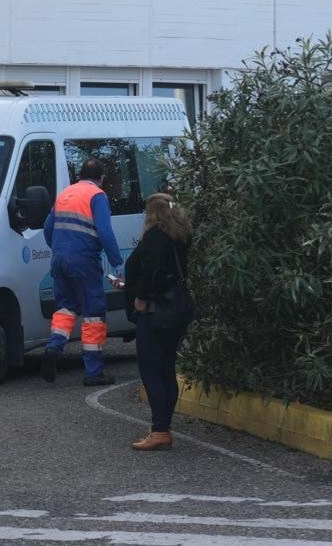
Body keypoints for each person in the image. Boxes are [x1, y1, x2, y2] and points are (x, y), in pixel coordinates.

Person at [41, 158, 124, 386]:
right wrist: (117, 263)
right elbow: (105, 232)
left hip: (59, 259)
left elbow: (48, 228)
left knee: (65, 308)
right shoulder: (97, 195)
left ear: (80, 175)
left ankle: (54, 348)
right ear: (102, 178)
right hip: (84, 260)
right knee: (94, 313)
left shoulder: (66, 194)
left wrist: (59, 248)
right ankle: (93, 372)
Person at [124, 193, 193, 451]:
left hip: (156, 311)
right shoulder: (180, 236)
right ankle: (164, 425)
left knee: (151, 371)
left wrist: (140, 297)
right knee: (166, 368)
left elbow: (152, 271)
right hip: (176, 308)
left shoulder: (155, 237)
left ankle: (160, 430)